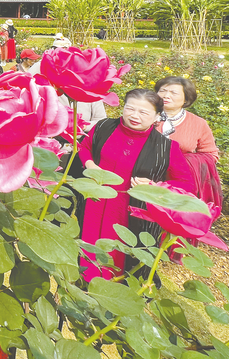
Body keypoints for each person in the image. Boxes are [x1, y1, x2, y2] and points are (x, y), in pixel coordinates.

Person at [77, 89, 194, 282]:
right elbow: (85, 148)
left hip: (129, 212)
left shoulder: (166, 148)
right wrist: (90, 166)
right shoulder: (105, 127)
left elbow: (185, 183)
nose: (134, 116)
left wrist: (154, 185)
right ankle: (84, 282)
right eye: (130, 109)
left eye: (143, 112)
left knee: (120, 256)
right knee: (88, 246)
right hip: (94, 204)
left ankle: (113, 293)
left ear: (157, 116)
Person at [154, 77, 221, 207]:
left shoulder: (198, 124)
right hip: (142, 177)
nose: (166, 95)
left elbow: (211, 155)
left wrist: (180, 163)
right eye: (162, 91)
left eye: (174, 93)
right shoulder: (143, 115)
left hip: (178, 183)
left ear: (186, 99)